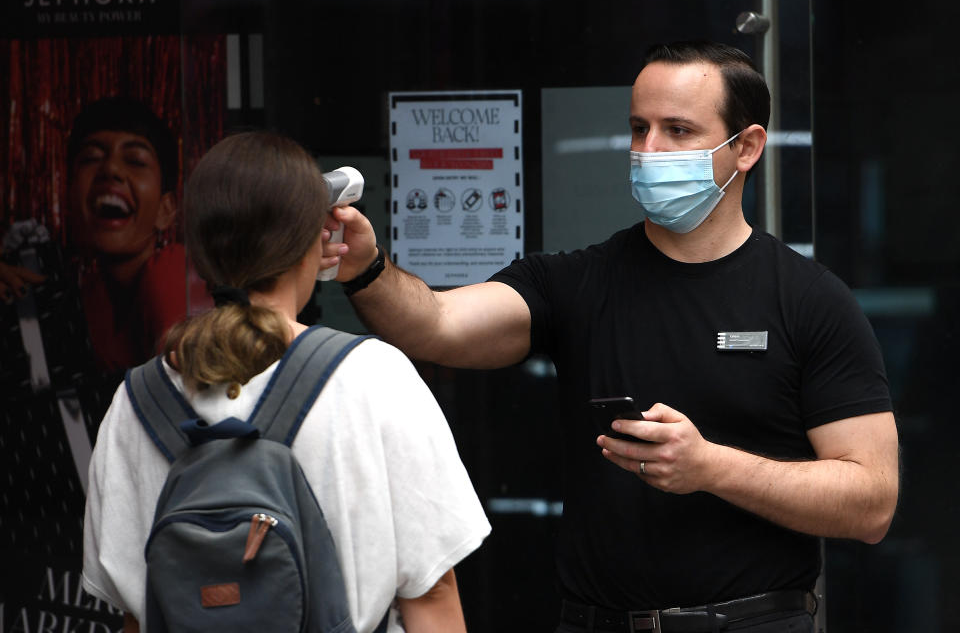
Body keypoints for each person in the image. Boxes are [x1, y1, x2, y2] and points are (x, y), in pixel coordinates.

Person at [320, 41, 900, 632]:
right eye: (638, 128)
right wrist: (367, 267)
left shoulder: (809, 300)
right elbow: (436, 325)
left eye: (677, 130)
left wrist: (711, 467)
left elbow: (872, 502)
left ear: (746, 147)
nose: (649, 151)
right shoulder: (577, 281)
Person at [81, 131, 491, 633]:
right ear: (316, 239)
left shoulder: (136, 402)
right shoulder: (374, 377)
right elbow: (433, 597)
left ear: (200, 249)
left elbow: (135, 615)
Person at [1, 96, 191, 372]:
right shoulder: (73, 299)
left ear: (166, 210)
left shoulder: (174, 276)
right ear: (69, 197)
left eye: (136, 161)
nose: (111, 170)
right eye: (91, 158)